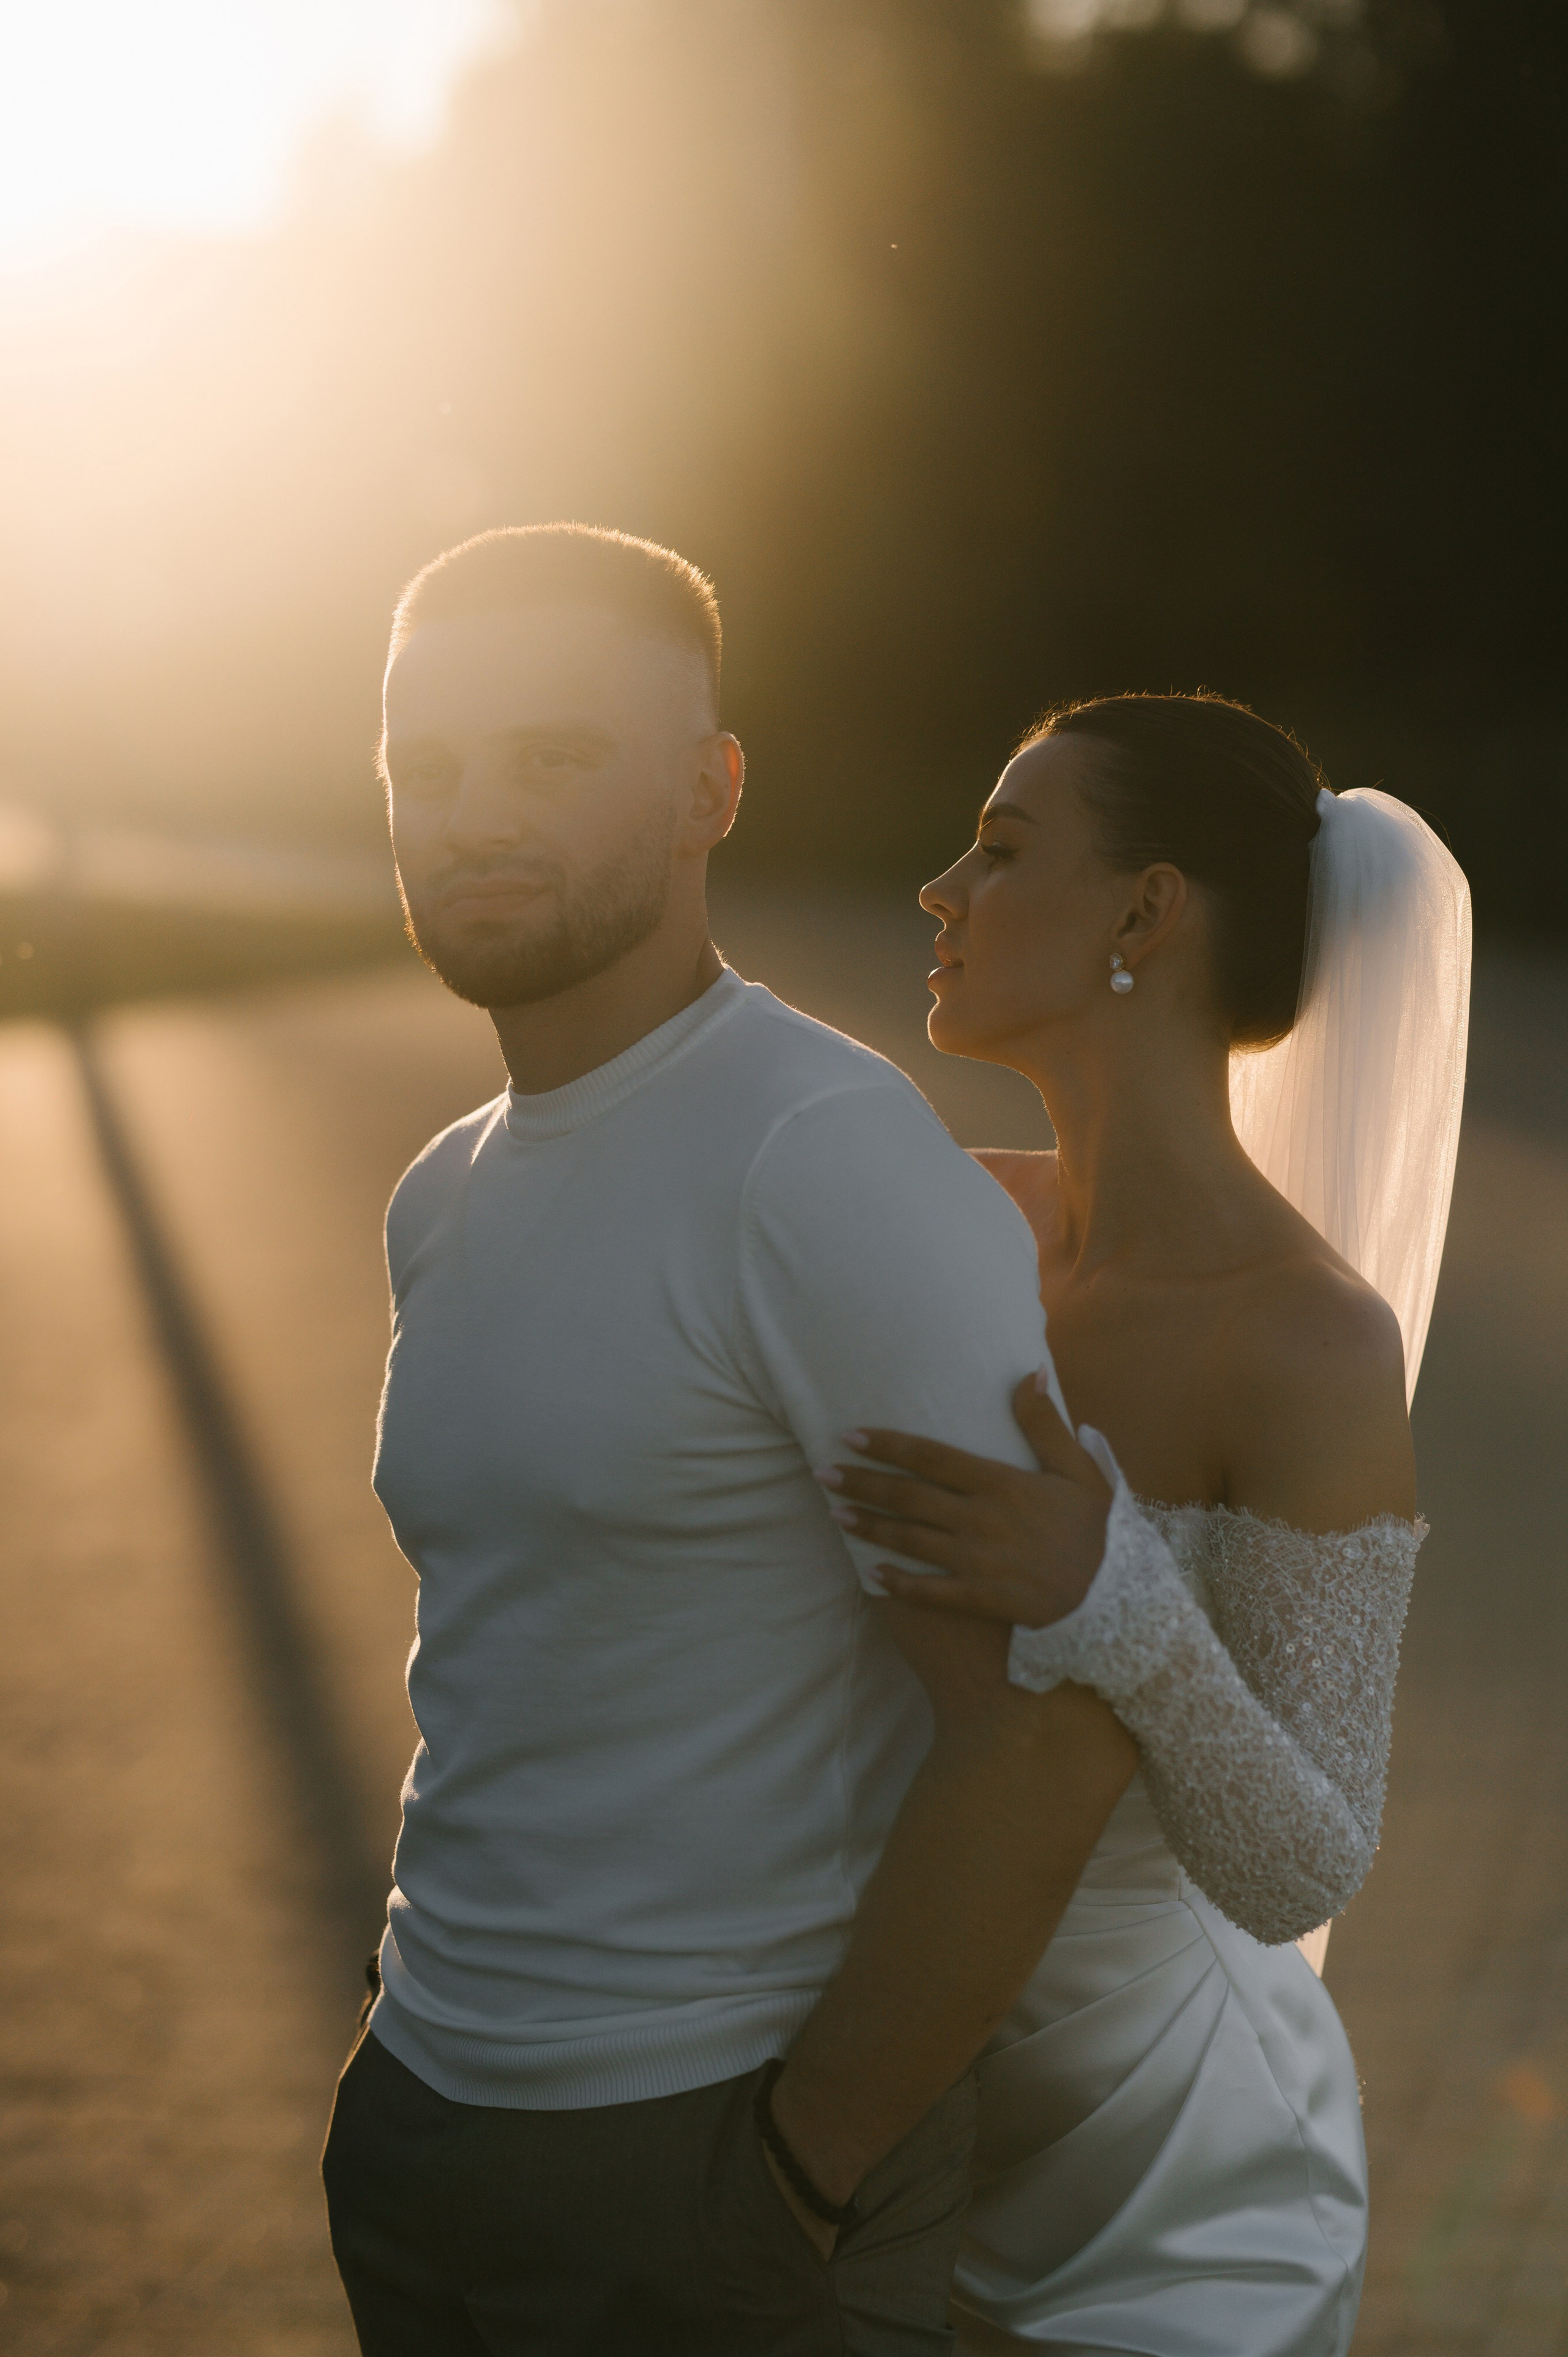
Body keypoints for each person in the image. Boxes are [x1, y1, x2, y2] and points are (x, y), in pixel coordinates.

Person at [320, 524, 1137, 2355]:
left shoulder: (817, 1156)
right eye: (427, 766)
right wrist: (411, 2021)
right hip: (424, 2114)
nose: (474, 815)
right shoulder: (444, 1190)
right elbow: (522, 1636)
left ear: (710, 790)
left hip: (709, 2159)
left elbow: (1049, 1728)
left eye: (554, 756)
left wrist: (800, 2170)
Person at [816, 693, 1471, 2355]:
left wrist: (1114, 1600)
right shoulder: (950, 1218)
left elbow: (1302, 1862)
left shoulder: (1308, 1341)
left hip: (1176, 2178)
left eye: (1001, 848)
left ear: (1145, 914)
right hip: (891, 2087)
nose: (941, 890)